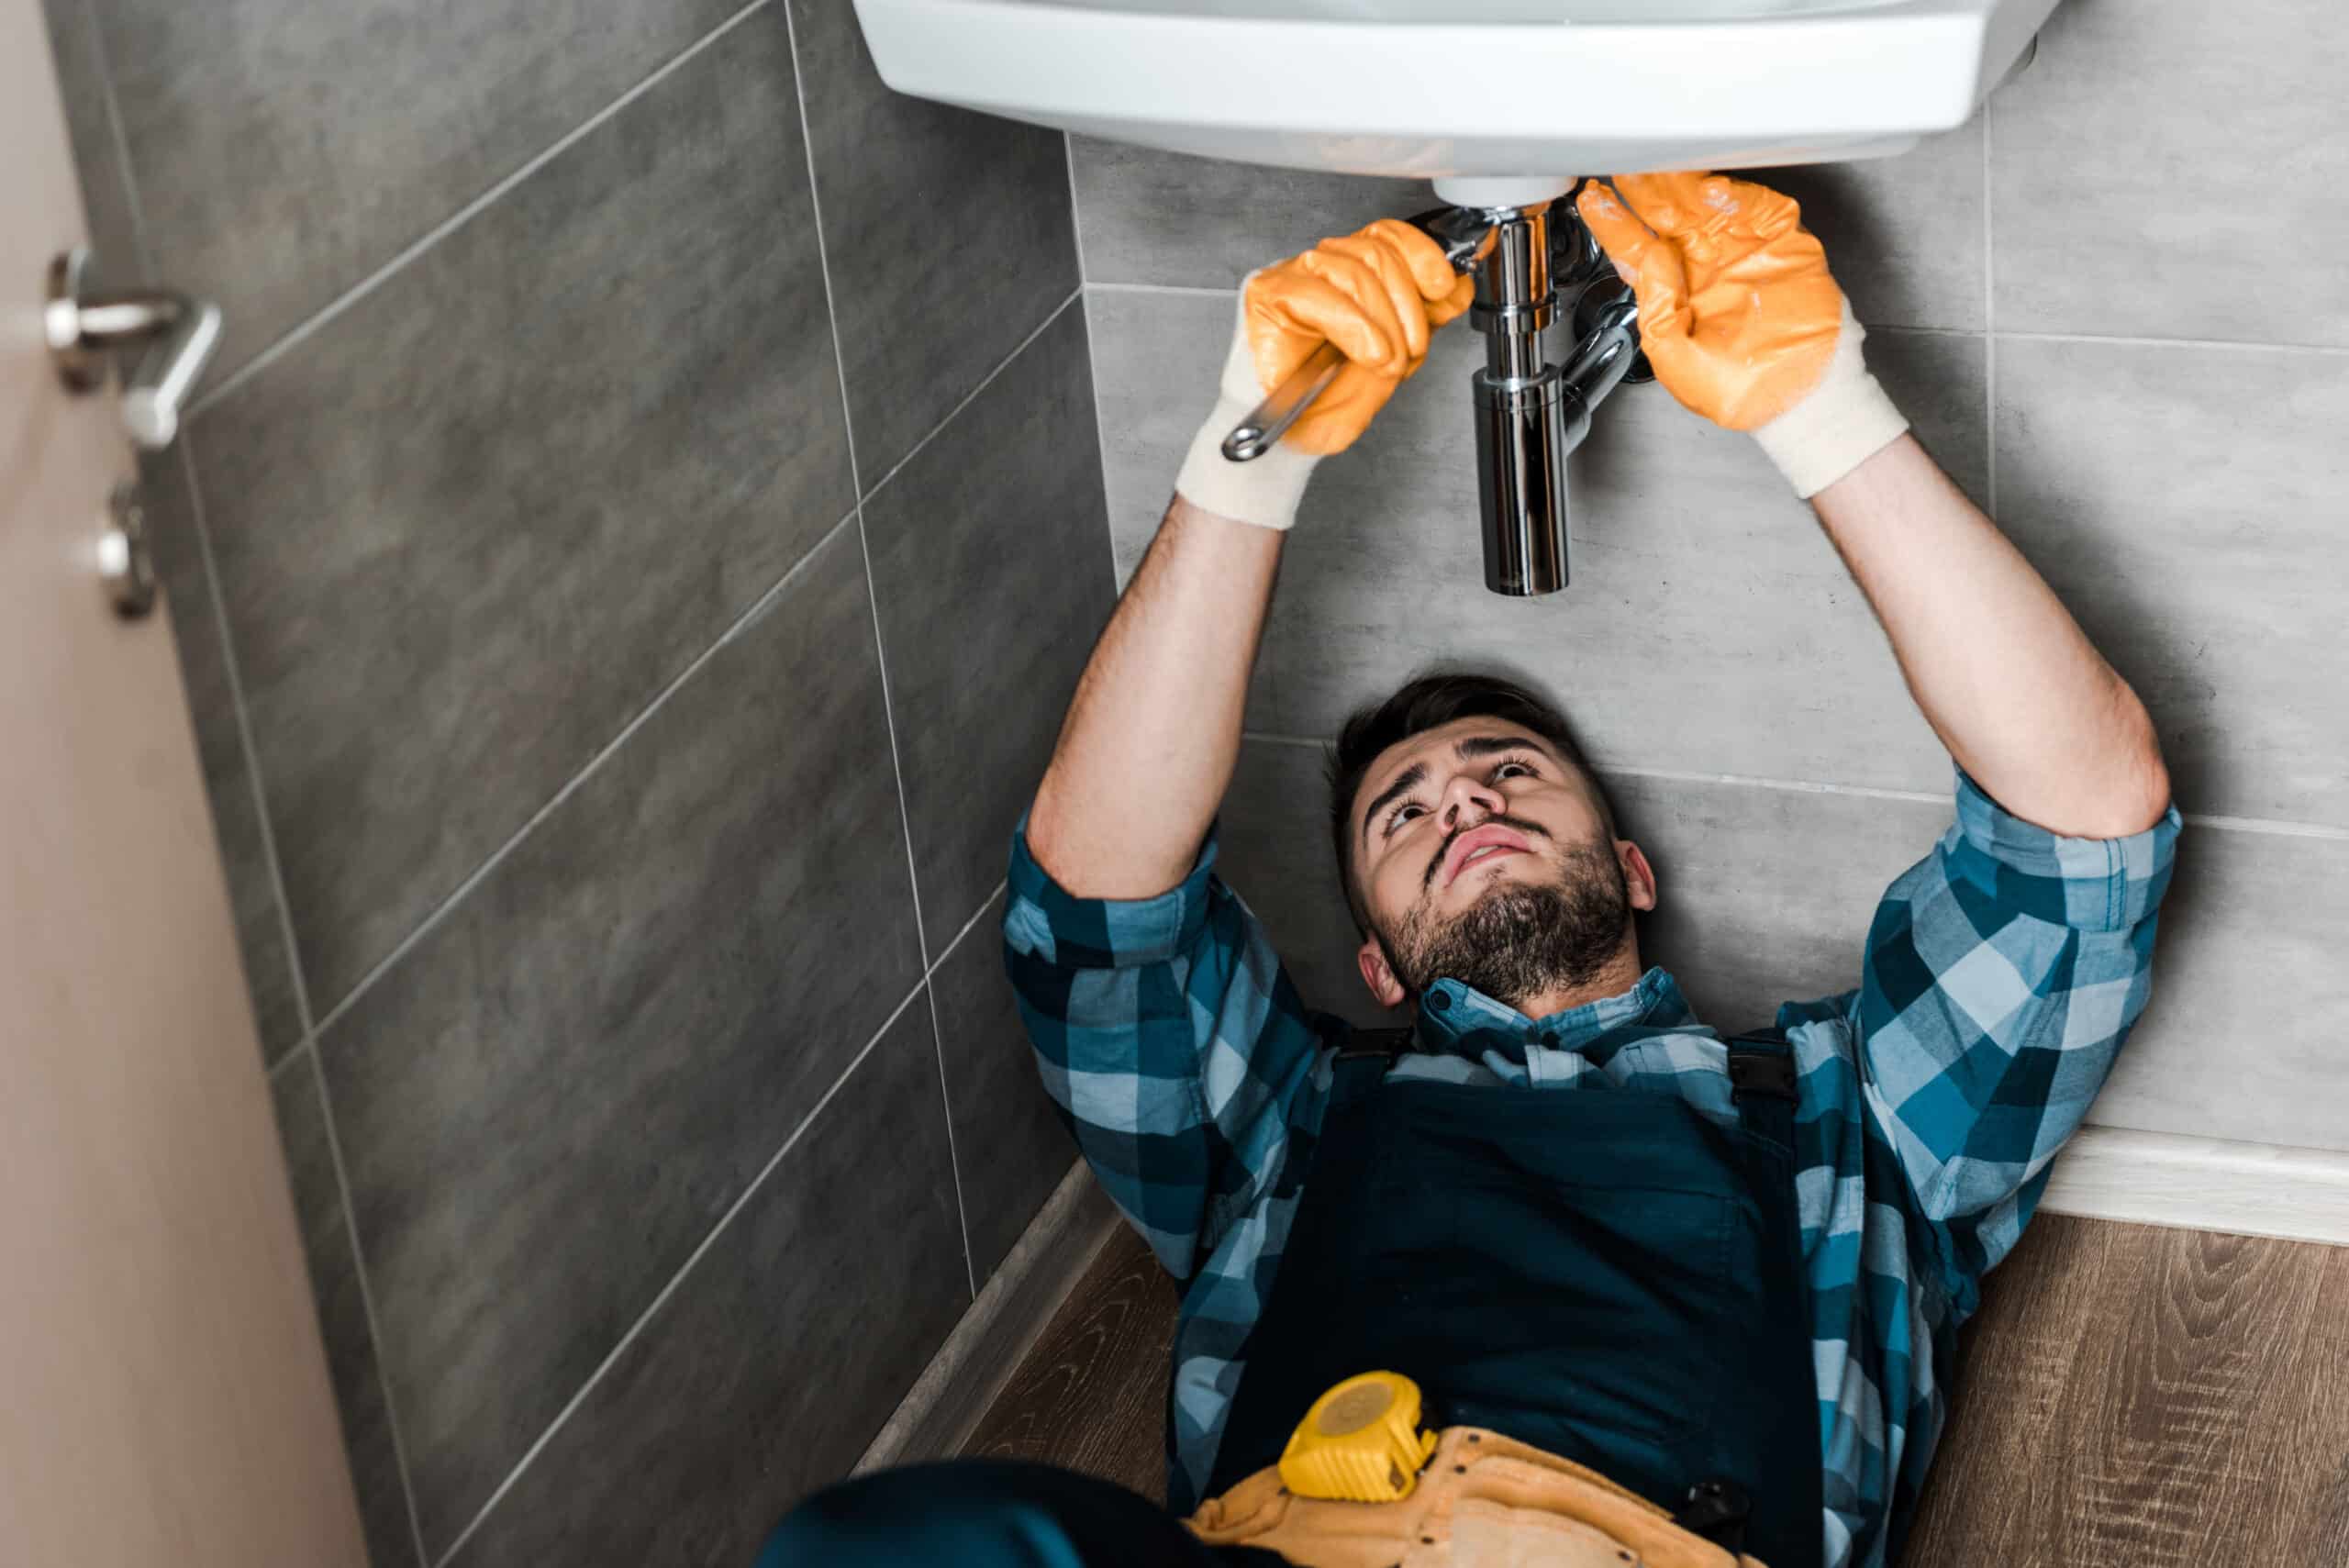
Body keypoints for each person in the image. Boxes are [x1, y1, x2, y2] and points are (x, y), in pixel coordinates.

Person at [762, 172, 2179, 1568]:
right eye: (1404, 817)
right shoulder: (1284, 1129)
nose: (1466, 805)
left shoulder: (1851, 1121)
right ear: (1375, 963)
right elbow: (1094, 920)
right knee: (877, 1545)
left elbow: (2084, 830)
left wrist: (1821, 408)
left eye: (1510, 772)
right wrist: (1247, 460)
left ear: (1630, 866)